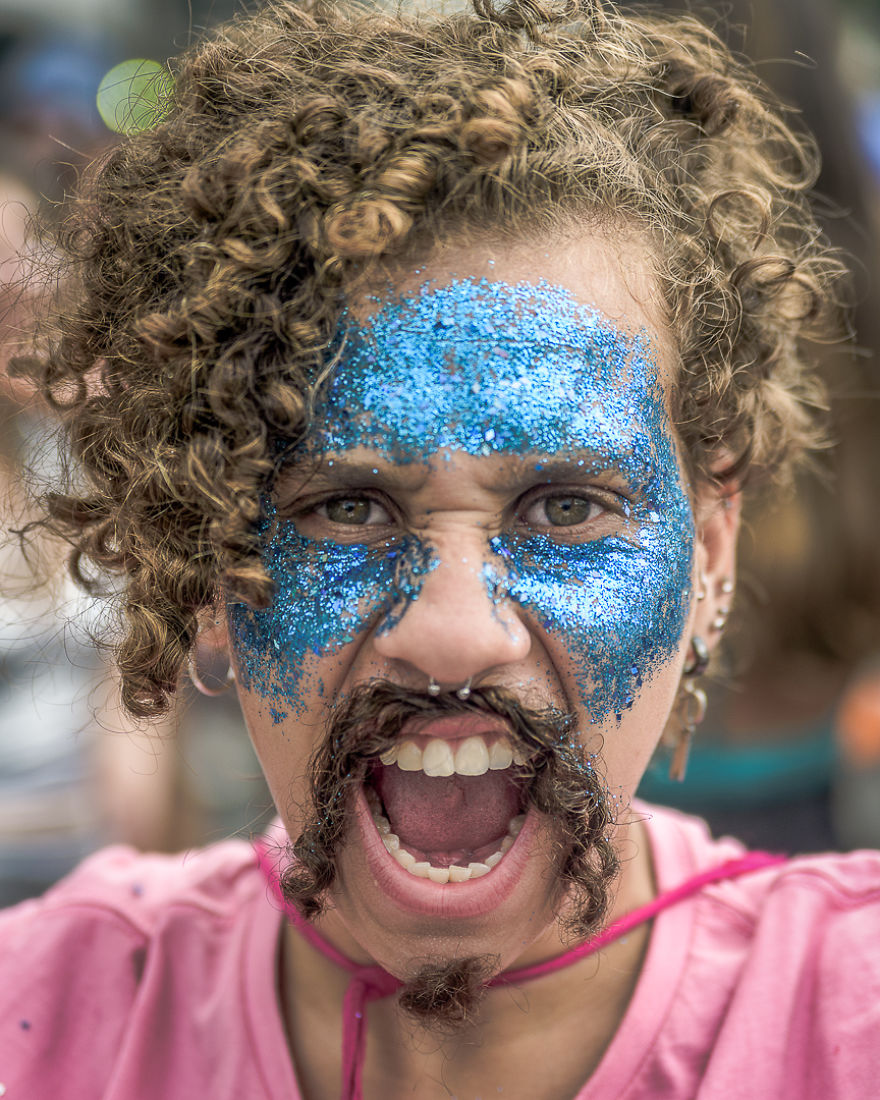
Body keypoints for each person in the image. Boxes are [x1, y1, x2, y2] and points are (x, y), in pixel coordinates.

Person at [2, 0, 878, 1097]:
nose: (454, 634)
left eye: (565, 508)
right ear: (209, 560)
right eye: (348, 509)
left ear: (710, 554)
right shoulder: (43, 1021)